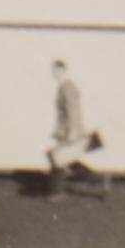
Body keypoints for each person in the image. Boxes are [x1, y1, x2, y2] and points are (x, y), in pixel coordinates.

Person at [46, 60, 103, 194]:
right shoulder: (64, 87)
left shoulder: (67, 87)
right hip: (65, 131)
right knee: (65, 160)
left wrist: (72, 131)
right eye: (53, 71)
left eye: (56, 71)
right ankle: (98, 180)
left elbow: (73, 110)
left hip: (69, 131)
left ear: (63, 71)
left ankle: (57, 193)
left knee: (58, 160)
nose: (53, 74)